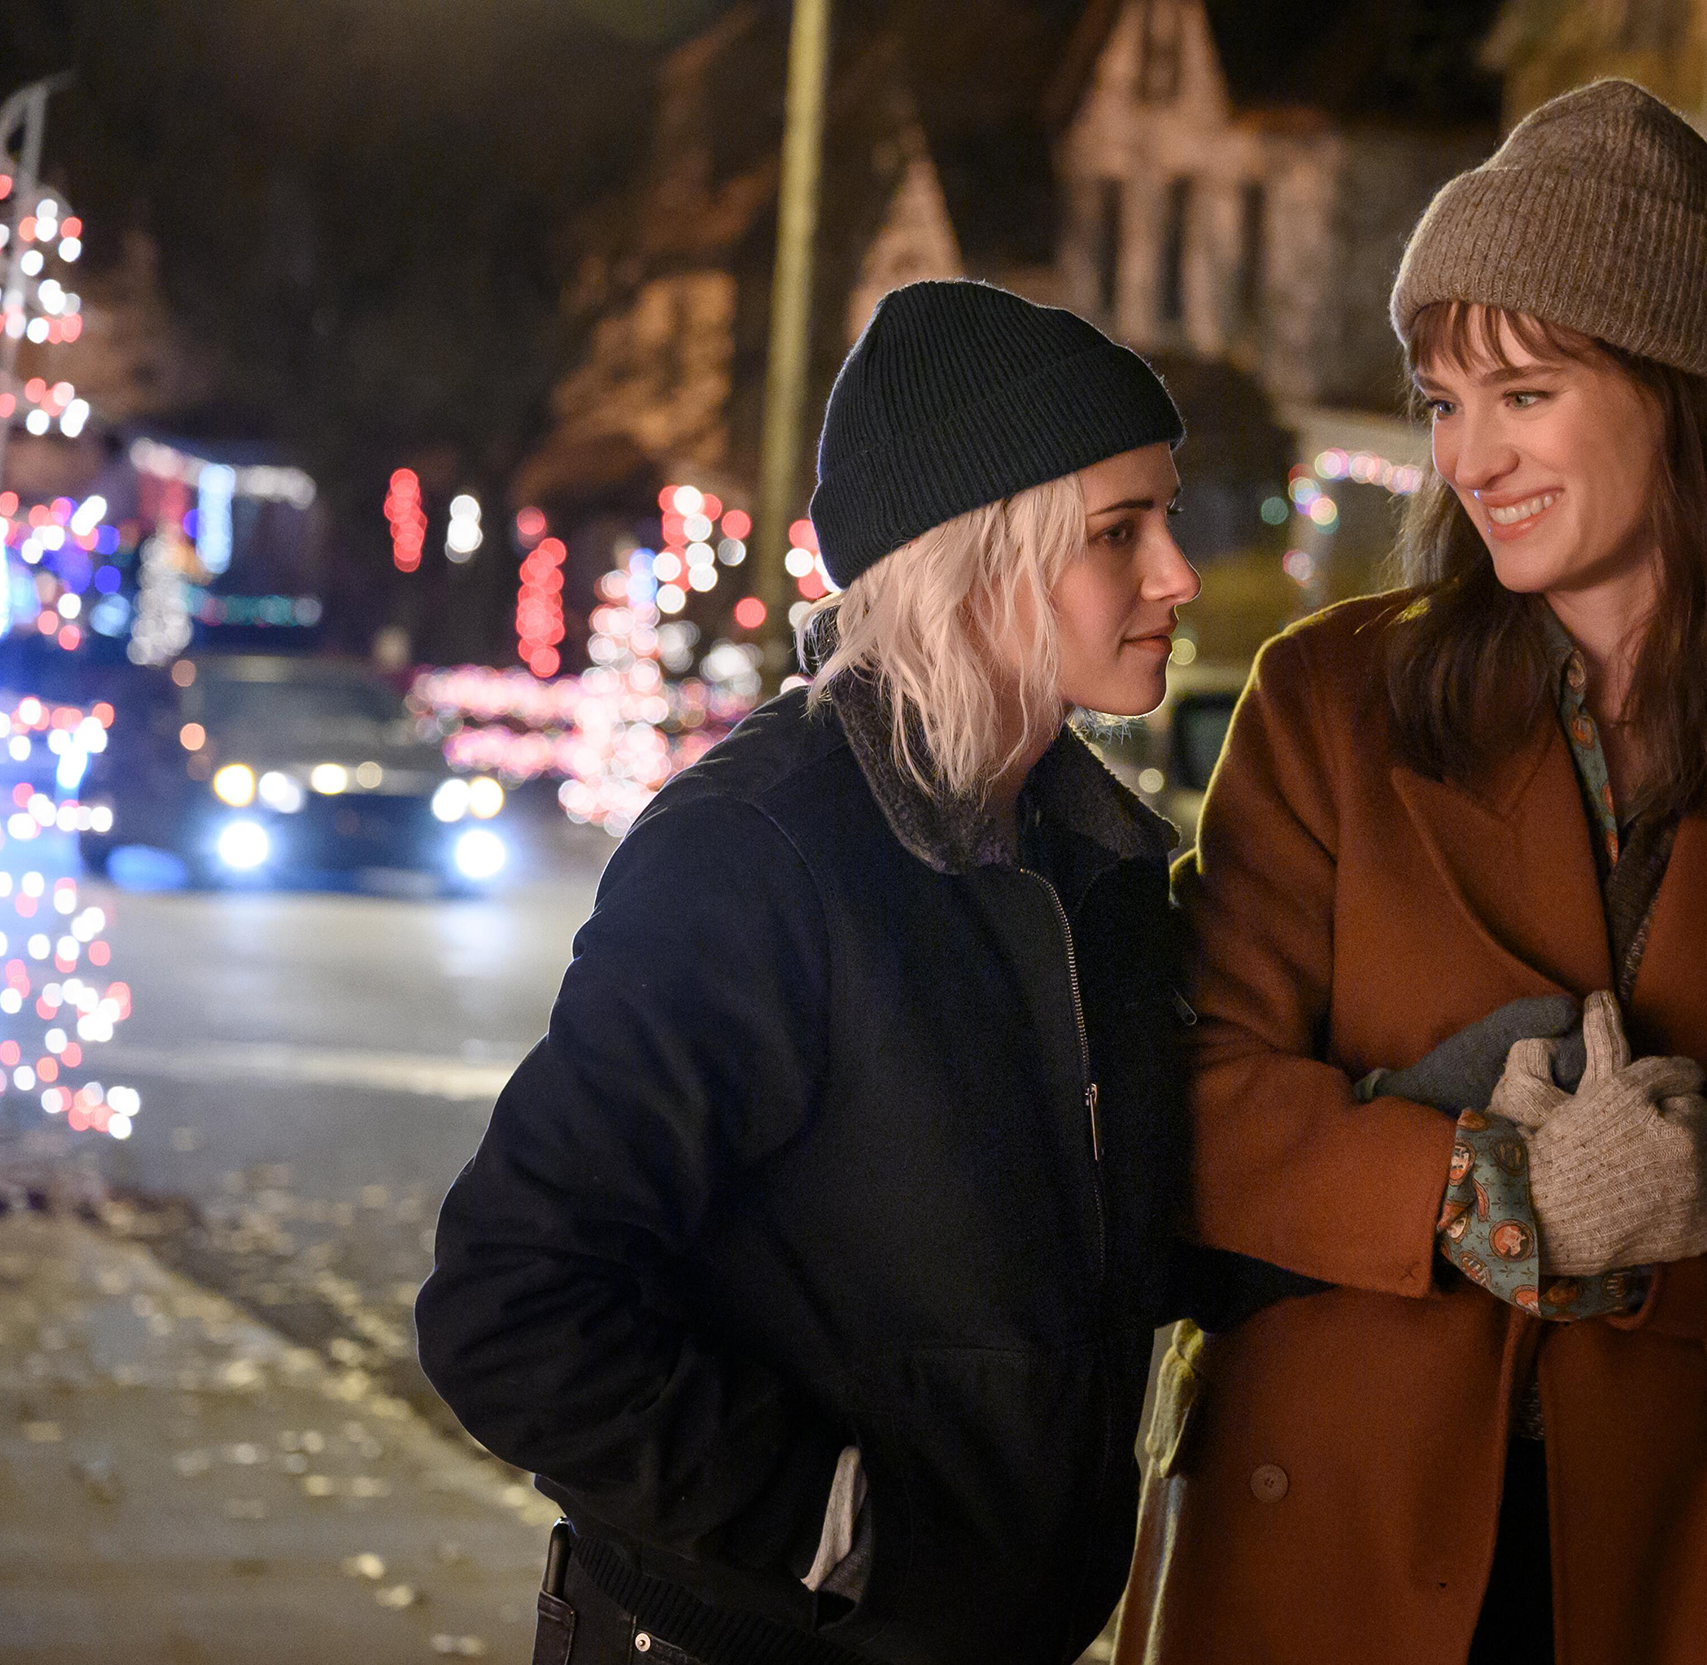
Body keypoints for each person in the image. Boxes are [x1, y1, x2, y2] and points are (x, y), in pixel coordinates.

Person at [1117, 82, 1707, 1665]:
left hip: (1657, 1542)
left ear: (1674, 385)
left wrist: (1704, 1211)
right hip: (1327, 1511)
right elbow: (1198, 1091)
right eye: (1445, 401)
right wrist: (1473, 1188)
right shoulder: (1330, 698)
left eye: (1521, 392)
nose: (1469, 455)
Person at [418, 279, 1201, 1665]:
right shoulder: (760, 853)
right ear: (980, 555)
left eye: (1169, 519)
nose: (1177, 576)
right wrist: (823, 1527)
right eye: (1118, 533)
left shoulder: (1101, 870)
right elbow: (510, 1302)